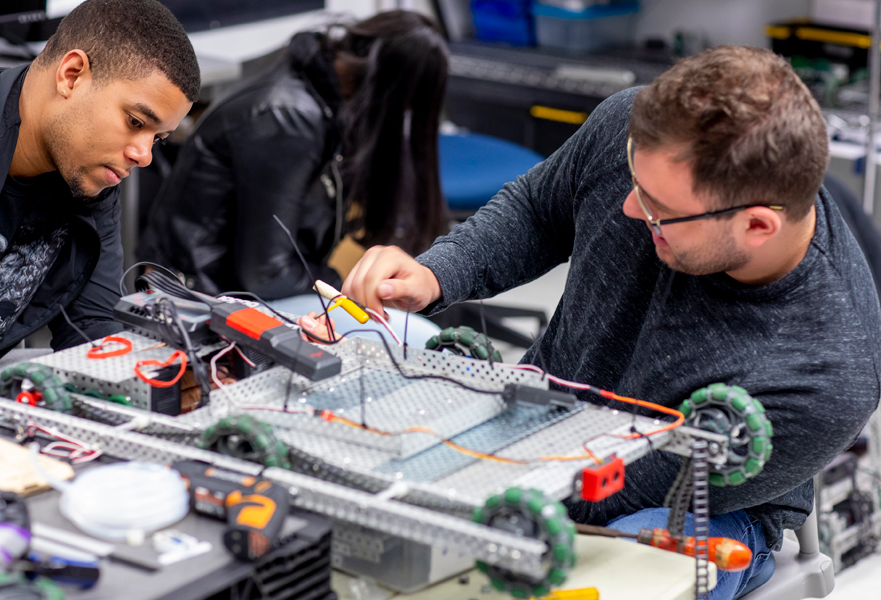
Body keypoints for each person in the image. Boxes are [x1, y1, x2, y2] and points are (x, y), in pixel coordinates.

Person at [341, 46, 881, 599]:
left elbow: (624, 492)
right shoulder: (642, 135)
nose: (627, 207)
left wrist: (468, 489)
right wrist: (434, 276)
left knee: (609, 576)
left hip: (680, 506)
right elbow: (540, 209)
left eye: (656, 206)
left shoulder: (829, 373)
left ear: (759, 225)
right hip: (547, 422)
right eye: (633, 178)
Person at [136, 11, 449, 301]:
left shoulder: (319, 75)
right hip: (199, 292)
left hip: (229, 281)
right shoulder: (290, 119)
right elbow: (269, 276)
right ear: (394, 94)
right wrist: (345, 285)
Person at [0, 0, 199, 374]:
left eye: (158, 138)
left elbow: (92, 330)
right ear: (71, 75)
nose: (143, 155)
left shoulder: (88, 177)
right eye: (134, 121)